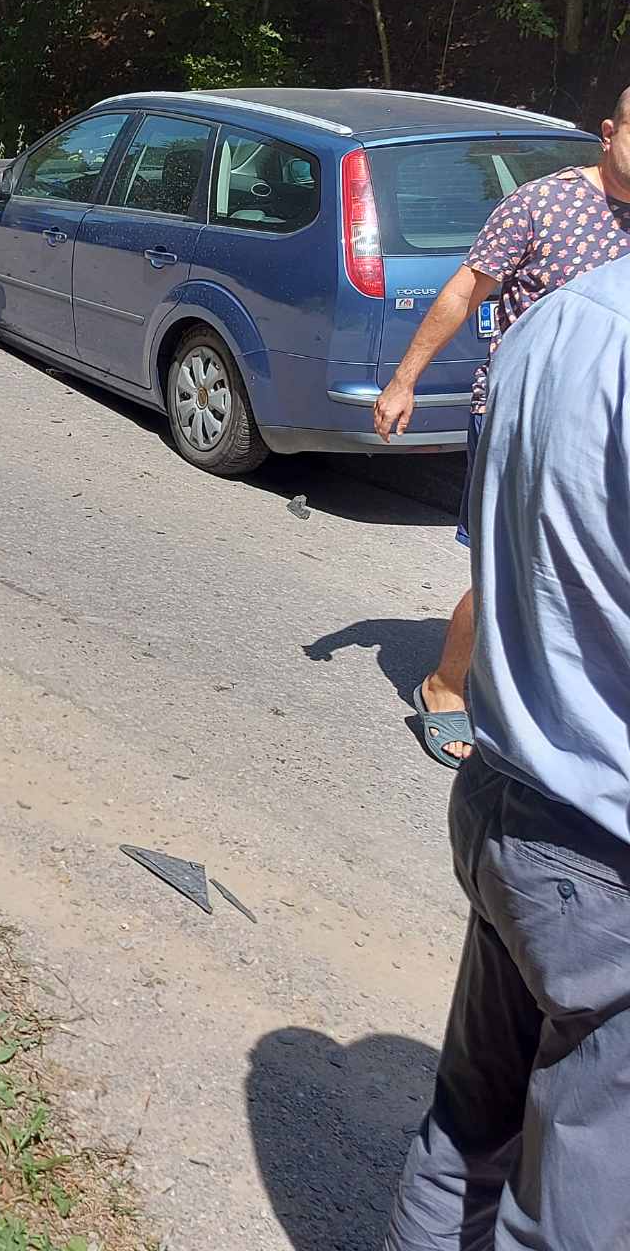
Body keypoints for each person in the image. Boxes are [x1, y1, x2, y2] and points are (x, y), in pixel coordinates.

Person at [383, 254, 630, 1250]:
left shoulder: (561, 316)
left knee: (466, 1139)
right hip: (604, 853)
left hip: (511, 799)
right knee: (576, 1212)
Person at [374, 89, 630, 767]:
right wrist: (404, 380)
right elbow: (465, 289)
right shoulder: (543, 203)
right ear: (609, 132)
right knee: (510, 565)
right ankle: (444, 685)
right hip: (525, 419)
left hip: (610, 424)